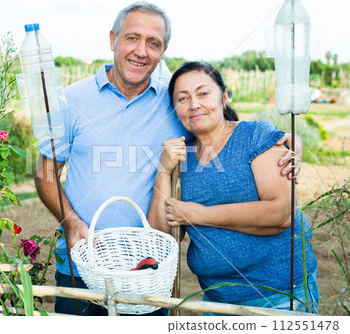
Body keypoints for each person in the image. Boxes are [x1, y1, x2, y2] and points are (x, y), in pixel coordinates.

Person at [35, 2, 301, 316]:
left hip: (148, 271)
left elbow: (219, 125)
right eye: (132, 38)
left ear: (163, 51)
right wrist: (72, 221)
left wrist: (284, 140)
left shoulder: (174, 101)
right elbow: (44, 171)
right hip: (83, 264)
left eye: (154, 43)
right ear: (112, 40)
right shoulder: (71, 99)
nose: (141, 51)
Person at [147, 61, 318, 315]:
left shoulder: (255, 136)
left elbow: (281, 213)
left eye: (203, 93)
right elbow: (160, 237)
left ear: (224, 97)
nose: (194, 104)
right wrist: (163, 170)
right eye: (183, 98)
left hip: (280, 297)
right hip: (217, 301)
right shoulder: (182, 157)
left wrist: (199, 215)